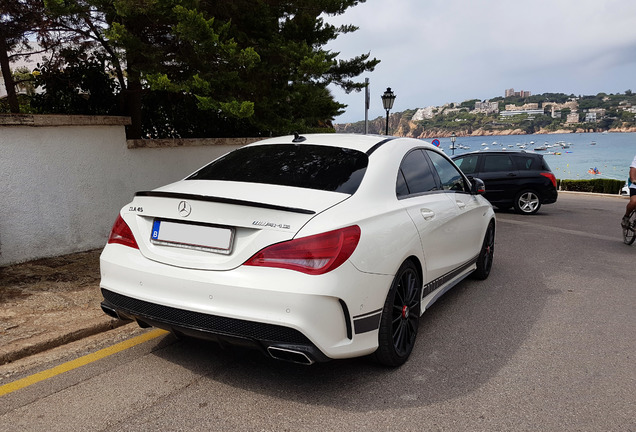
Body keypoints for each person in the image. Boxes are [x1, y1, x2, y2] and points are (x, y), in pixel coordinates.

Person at [621, 154, 636, 228]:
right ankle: (626, 216)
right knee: (634, 201)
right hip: (635, 184)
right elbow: (633, 169)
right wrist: (633, 179)